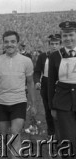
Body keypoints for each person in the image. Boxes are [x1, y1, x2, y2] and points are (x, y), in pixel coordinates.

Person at [0, 30, 37, 159]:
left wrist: (33, 103)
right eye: (6, 42)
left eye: (12, 41)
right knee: (3, 135)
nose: (9, 44)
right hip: (1, 103)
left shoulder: (26, 61)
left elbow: (30, 83)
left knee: (15, 132)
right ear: (3, 44)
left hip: (19, 102)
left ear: (17, 43)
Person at [48, 21, 76, 158]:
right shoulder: (54, 56)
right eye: (65, 36)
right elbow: (50, 84)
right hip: (63, 102)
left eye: (71, 34)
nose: (68, 38)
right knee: (68, 139)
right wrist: (52, 106)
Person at [34, 34, 61, 139]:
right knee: (48, 109)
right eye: (52, 44)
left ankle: (62, 133)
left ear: (60, 44)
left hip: (60, 84)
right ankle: (51, 133)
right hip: (46, 84)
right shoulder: (43, 56)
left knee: (61, 110)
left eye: (56, 44)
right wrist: (37, 81)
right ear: (49, 45)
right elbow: (37, 71)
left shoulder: (63, 56)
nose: (54, 46)